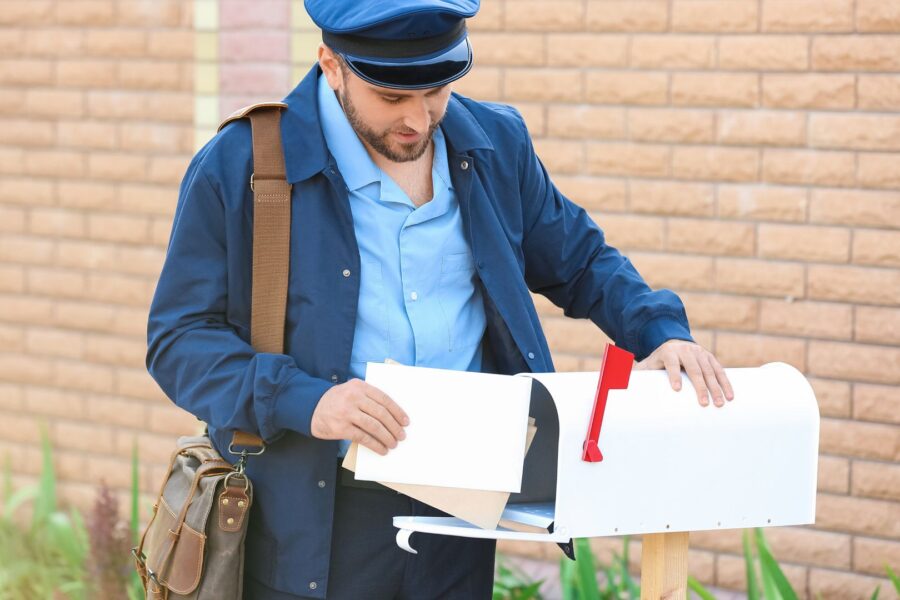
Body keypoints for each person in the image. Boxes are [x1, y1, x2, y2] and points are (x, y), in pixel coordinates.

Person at [146, 0, 734, 597]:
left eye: (436, 91)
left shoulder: (495, 144)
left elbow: (581, 261)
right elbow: (177, 342)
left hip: (464, 511)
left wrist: (658, 330)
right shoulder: (242, 165)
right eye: (392, 97)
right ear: (330, 63)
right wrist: (307, 400)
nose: (420, 120)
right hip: (310, 521)